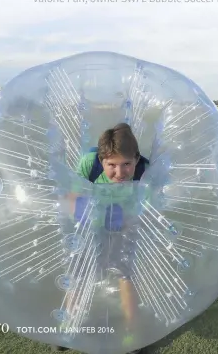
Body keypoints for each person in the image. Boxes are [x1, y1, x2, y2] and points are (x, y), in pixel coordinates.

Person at [53, 124, 149, 353]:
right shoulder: (90, 163)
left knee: (125, 274)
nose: (120, 172)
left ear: (136, 159)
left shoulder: (146, 169)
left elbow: (148, 205)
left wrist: (128, 220)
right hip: (93, 222)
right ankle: (69, 322)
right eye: (112, 165)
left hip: (126, 224)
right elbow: (74, 195)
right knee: (78, 271)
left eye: (127, 164)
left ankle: (131, 331)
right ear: (101, 159)